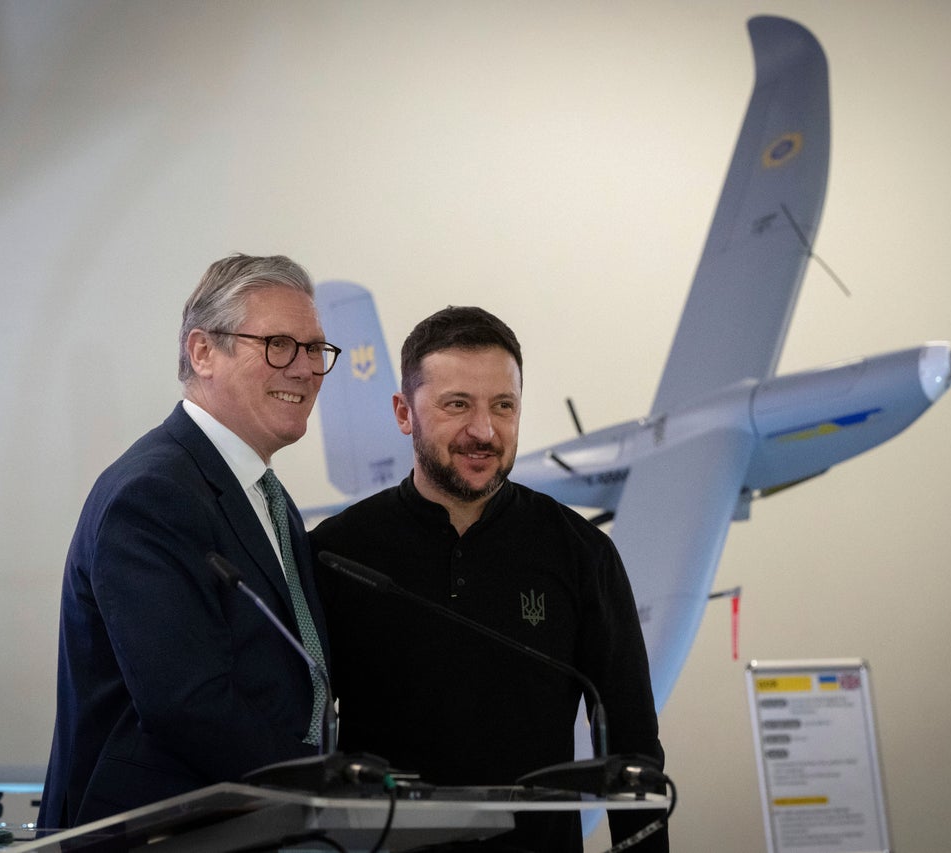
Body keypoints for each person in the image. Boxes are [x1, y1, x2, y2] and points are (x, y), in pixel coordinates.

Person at [310, 306, 668, 852]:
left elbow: (634, 746)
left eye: (504, 406)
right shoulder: (337, 552)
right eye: (457, 405)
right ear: (404, 413)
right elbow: (298, 730)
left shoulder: (581, 554)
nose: (484, 431)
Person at [37, 254, 341, 829]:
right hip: (155, 833)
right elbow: (187, 703)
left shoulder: (266, 498)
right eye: (279, 344)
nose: (305, 369)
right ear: (203, 352)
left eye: (315, 349)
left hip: (245, 827)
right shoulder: (154, 493)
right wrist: (322, 785)